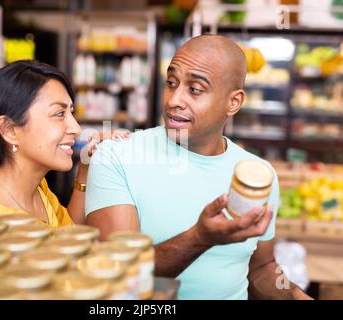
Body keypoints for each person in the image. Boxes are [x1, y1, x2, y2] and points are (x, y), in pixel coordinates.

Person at [85, 35, 312, 299]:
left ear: (234, 102)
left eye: (194, 89)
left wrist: (297, 296)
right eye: (171, 83)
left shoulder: (255, 174)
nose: (173, 100)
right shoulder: (117, 156)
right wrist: (200, 238)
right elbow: (119, 275)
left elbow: (261, 267)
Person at [0, 60, 129, 227]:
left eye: (71, 112)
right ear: (10, 130)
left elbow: (67, 234)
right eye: (59, 114)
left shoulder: (36, 187)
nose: (76, 128)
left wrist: (85, 169)